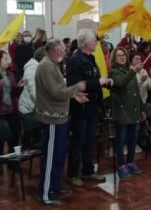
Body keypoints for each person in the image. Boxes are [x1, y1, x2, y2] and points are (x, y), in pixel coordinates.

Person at [35, 39, 87, 206]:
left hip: (60, 117)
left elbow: (59, 89)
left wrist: (73, 94)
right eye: (64, 50)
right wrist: (76, 87)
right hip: (52, 119)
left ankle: (55, 185)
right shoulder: (46, 66)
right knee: (50, 157)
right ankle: (44, 193)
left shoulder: (52, 65)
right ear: (56, 50)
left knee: (59, 155)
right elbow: (56, 92)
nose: (65, 52)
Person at [66, 29, 114, 187]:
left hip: (92, 106)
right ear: (86, 43)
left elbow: (93, 78)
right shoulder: (75, 61)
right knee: (78, 141)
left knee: (90, 141)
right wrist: (97, 82)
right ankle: (73, 174)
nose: (96, 43)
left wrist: (102, 80)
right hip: (80, 108)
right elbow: (76, 86)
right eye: (94, 40)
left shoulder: (91, 58)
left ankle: (88, 171)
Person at [109, 47, 145, 178]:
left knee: (133, 139)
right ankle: (121, 164)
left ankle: (130, 162)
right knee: (121, 139)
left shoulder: (130, 70)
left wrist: (142, 108)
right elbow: (121, 83)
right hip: (122, 111)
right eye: (119, 56)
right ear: (114, 58)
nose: (122, 57)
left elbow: (136, 92)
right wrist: (133, 71)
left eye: (123, 55)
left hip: (134, 110)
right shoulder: (113, 72)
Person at [19, 47, 46, 150]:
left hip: (35, 106)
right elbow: (33, 91)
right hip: (29, 107)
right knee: (28, 137)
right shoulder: (31, 68)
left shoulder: (38, 67)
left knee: (36, 137)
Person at [0, 51, 26, 156]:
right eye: (5, 59)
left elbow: (14, 92)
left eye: (9, 59)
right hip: (1, 113)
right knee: (0, 140)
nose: (9, 61)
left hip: (12, 110)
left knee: (14, 138)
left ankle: (13, 162)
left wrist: (20, 86)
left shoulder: (10, 73)